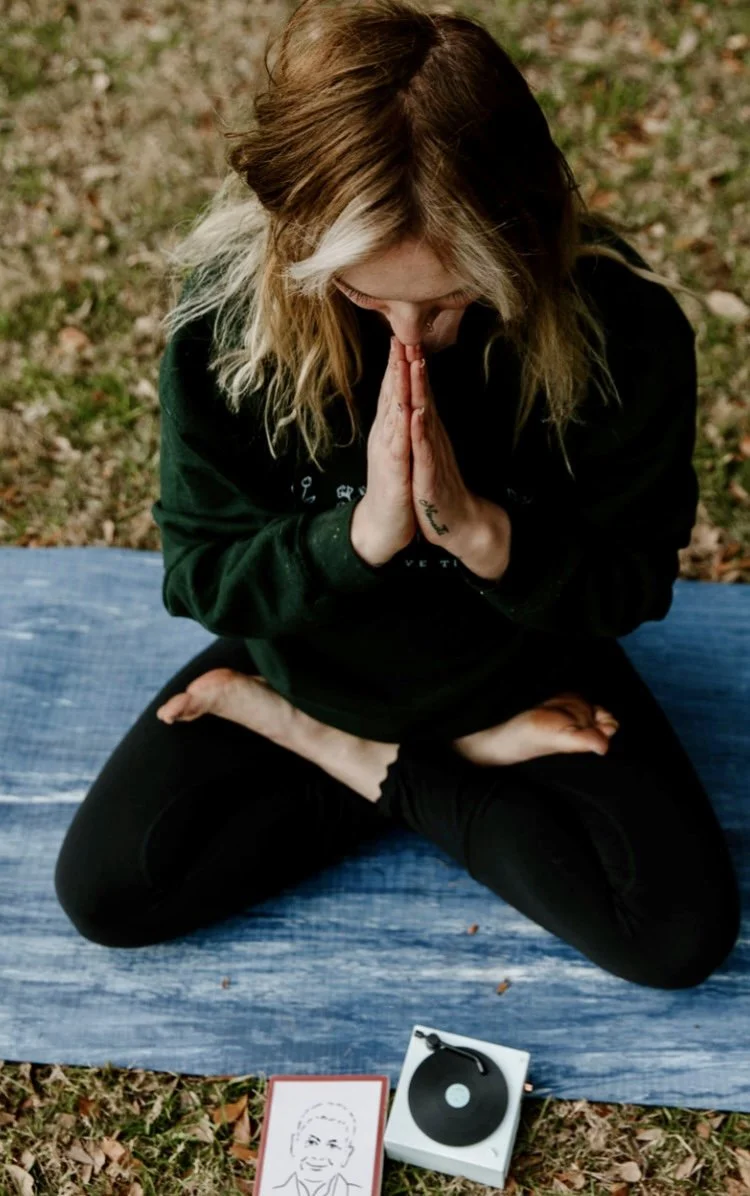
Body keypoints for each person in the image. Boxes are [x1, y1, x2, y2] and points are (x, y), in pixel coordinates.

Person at [54, 0, 740, 988]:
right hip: (304, 663)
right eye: (367, 298)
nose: (411, 342)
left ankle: (356, 751)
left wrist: (488, 536)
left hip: (527, 671)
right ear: (300, 245)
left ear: (522, 238)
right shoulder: (226, 323)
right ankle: (443, 754)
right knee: (109, 889)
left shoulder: (622, 325)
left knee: (674, 934)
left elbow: (630, 584)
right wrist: (358, 536)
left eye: (456, 298)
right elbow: (202, 577)